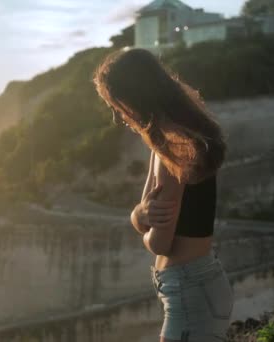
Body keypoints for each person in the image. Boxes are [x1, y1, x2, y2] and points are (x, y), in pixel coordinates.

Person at [93, 48, 234, 342]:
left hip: (189, 290)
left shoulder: (174, 146)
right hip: (197, 285)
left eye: (117, 106)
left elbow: (160, 241)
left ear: (134, 98)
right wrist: (137, 216)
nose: (119, 117)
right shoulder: (179, 137)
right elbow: (144, 212)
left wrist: (141, 223)